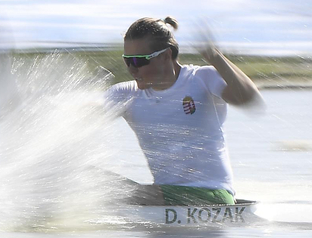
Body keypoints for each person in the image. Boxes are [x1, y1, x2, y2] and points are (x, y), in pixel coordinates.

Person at [105, 17, 263, 206]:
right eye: (127, 60)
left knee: (112, 189)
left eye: (139, 60)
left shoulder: (202, 79)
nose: (132, 69)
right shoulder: (125, 93)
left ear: (165, 55)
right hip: (163, 197)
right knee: (90, 178)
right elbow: (83, 116)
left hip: (213, 195)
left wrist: (215, 57)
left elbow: (248, 98)